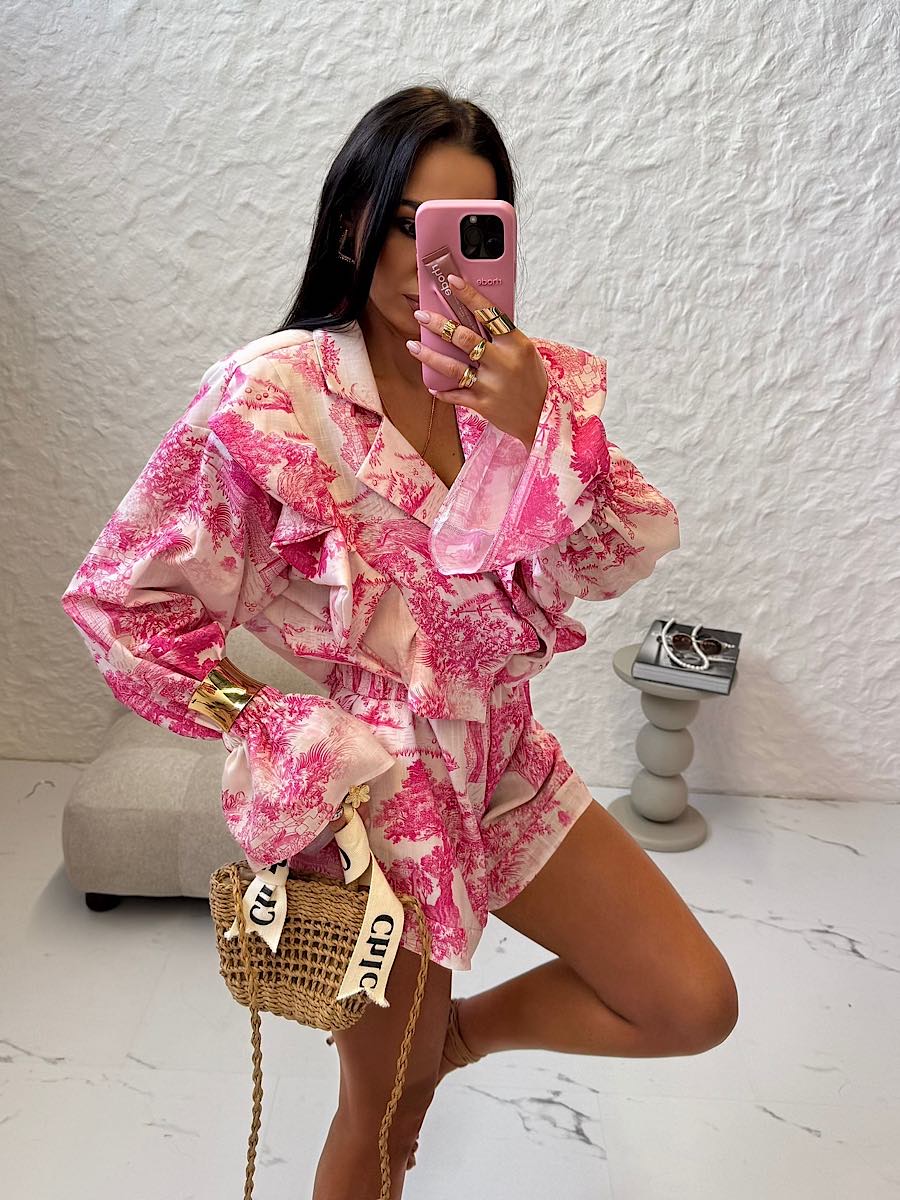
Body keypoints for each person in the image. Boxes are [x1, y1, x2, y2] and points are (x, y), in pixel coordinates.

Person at [60, 84, 738, 1198]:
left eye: (474, 230)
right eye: (412, 226)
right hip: (377, 804)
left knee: (690, 1002)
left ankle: (452, 1042)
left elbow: (616, 548)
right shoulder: (273, 398)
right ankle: (413, 1072)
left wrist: (538, 429)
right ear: (352, 226)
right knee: (384, 1126)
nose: (441, 265)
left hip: (504, 762)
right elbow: (122, 605)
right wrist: (266, 721)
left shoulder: (524, 385)